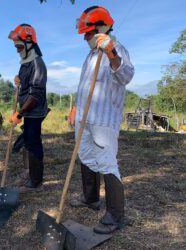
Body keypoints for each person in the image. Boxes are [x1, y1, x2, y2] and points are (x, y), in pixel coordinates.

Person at [71, 6, 135, 234]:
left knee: (106, 162)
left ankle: (115, 216)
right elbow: (84, 86)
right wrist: (75, 109)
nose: (85, 37)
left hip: (103, 119)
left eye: (88, 33)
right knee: (85, 155)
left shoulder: (117, 49)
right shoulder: (89, 55)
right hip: (84, 118)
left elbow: (126, 75)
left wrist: (110, 53)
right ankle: (90, 199)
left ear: (101, 28)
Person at [8, 24, 48, 191]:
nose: (17, 49)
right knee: (28, 142)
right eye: (15, 46)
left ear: (29, 42)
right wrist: (18, 80)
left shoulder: (38, 63)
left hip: (34, 111)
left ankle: (36, 181)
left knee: (33, 143)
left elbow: (36, 93)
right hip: (27, 111)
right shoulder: (25, 63)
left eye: (19, 46)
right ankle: (29, 173)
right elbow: (26, 85)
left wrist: (20, 112)